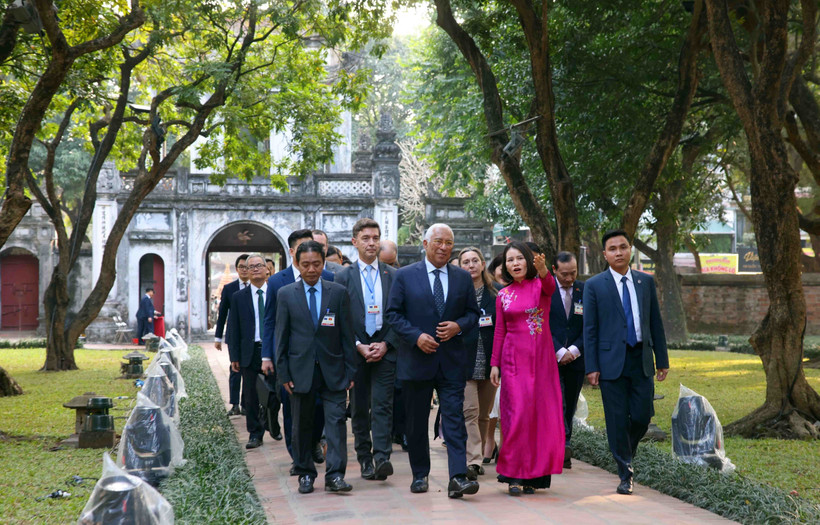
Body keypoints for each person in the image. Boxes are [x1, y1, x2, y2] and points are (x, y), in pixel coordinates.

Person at [386, 223, 481, 499]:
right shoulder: (404, 276)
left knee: (454, 418)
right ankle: (419, 474)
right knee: (415, 422)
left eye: (449, 243)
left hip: (451, 362)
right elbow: (393, 314)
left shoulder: (462, 278)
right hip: (416, 360)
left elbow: (473, 315)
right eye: (438, 241)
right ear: (425, 244)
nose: (443, 247)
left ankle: (458, 477)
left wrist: (458, 326)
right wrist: (415, 337)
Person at [584, 229, 669, 495]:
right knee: (616, 419)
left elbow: (655, 322)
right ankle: (625, 472)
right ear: (604, 254)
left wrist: (662, 360)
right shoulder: (594, 285)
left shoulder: (645, 282)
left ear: (630, 249)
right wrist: (592, 366)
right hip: (610, 363)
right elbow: (590, 329)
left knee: (643, 416)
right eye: (613, 249)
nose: (619, 252)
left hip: (641, 358)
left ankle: (624, 451)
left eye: (623, 247)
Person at [274, 241, 357, 494]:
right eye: (306, 264)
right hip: (300, 372)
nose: (312, 269)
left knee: (336, 424)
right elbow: (281, 336)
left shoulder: (338, 292)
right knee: (301, 425)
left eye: (317, 264)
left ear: (324, 263)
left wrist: (351, 371)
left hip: (333, 371)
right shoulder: (286, 294)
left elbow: (347, 334)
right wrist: (283, 373)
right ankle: (305, 474)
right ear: (298, 264)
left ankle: (335, 475)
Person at [489, 241, 564, 496]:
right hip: (512, 362)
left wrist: (544, 270)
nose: (515, 263)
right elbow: (500, 331)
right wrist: (495, 364)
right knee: (516, 416)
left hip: (542, 362)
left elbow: (551, 285)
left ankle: (535, 475)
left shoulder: (540, 286)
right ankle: (513, 474)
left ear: (529, 261)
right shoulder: (503, 295)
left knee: (539, 417)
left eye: (520, 258)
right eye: (510, 260)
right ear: (505, 266)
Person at [261, 230, 335, 469]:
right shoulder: (277, 282)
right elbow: (271, 321)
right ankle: (297, 457)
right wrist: (268, 356)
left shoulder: (330, 279)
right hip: (293, 360)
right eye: (304, 248)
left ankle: (314, 441)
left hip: (323, 360)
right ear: (293, 252)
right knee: (293, 410)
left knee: (320, 408)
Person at [335, 218, 399, 481]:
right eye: (366, 238)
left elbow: (400, 315)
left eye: (375, 238)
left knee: (383, 405)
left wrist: (386, 343)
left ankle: (382, 456)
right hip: (356, 351)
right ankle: (364, 458)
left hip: (384, 348)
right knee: (359, 407)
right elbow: (339, 319)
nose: (371, 243)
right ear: (355, 242)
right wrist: (358, 346)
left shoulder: (394, 275)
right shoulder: (342, 277)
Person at [458, 247, 501, 480]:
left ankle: (480, 452)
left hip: (490, 363)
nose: (471, 265)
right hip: (464, 362)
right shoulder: (455, 293)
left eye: (475, 260)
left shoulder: (496, 294)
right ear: (459, 266)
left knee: (484, 415)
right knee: (470, 412)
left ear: (483, 264)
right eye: (466, 262)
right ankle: (473, 460)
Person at [227, 254, 270, 449]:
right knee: (250, 395)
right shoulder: (238, 297)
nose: (254, 269)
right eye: (249, 266)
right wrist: (234, 356)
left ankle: (271, 422)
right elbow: (233, 327)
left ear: (267, 269)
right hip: (249, 351)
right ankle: (255, 433)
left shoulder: (278, 293)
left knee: (276, 393)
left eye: (258, 265)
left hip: (272, 350)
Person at [548, 251, 585, 469]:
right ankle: (562, 444)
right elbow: (540, 322)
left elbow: (590, 325)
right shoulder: (546, 290)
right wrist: (559, 351)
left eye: (573, 273)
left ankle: (565, 443)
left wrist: (574, 350)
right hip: (551, 357)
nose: (569, 279)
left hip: (577, 358)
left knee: (570, 403)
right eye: (564, 274)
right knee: (557, 402)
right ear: (554, 270)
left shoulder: (584, 289)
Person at [214, 254, 250, 417]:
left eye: (247, 267)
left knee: (249, 370)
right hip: (235, 336)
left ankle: (246, 404)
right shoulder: (229, 289)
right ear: (237, 269)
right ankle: (235, 404)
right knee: (235, 368)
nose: (244, 270)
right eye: (241, 267)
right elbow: (222, 314)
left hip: (251, 337)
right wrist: (218, 337)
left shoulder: (257, 288)